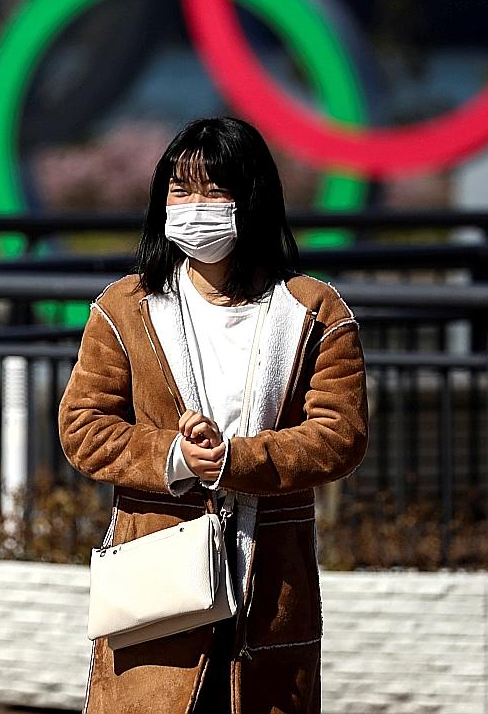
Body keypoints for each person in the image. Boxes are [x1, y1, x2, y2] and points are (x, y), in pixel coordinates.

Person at [58, 116, 368, 714]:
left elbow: (340, 435)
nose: (192, 206)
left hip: (270, 580)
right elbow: (83, 427)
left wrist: (235, 460)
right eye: (178, 189)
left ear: (251, 199)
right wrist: (175, 456)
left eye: (212, 191)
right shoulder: (126, 308)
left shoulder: (312, 309)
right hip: (158, 569)